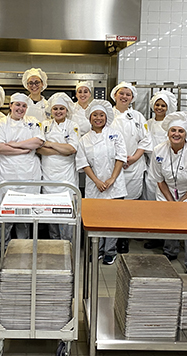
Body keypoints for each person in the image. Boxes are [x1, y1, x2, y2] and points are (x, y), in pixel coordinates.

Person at [148, 117, 187, 274]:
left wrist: (181, 201)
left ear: (185, 133)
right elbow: (159, 179)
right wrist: (171, 201)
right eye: (173, 130)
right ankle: (170, 252)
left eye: (180, 131)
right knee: (169, 220)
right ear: (168, 133)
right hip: (167, 190)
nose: (176, 134)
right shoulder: (158, 150)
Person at [0, 92, 45, 253]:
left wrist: (14, 145)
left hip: (29, 175)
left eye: (23, 106)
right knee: (5, 214)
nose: (20, 108)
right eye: (17, 105)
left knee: (26, 214)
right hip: (6, 175)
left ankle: (23, 248)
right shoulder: (0, 124)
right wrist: (24, 150)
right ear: (10, 105)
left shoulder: (33, 122)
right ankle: (3, 247)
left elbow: (38, 141)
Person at [76, 99, 127, 265]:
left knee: (113, 220)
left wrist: (112, 178)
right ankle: (96, 249)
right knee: (96, 220)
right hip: (94, 185)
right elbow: (83, 163)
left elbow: (120, 157)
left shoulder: (116, 134)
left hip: (115, 184)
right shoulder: (84, 139)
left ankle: (110, 251)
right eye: (95, 115)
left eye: (101, 115)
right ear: (90, 118)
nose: (98, 118)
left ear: (106, 117)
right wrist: (97, 181)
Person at [109, 81, 153, 253]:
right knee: (114, 205)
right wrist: (117, 161)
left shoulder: (138, 117)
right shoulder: (107, 114)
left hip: (133, 166)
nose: (124, 97)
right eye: (122, 93)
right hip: (112, 166)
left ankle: (123, 239)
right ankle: (110, 239)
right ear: (115, 95)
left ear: (132, 98)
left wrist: (134, 158)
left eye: (128, 94)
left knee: (129, 205)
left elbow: (146, 139)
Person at [37, 92, 80, 241]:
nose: (58, 111)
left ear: (67, 110)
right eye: (55, 108)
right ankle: (55, 246)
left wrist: (49, 144)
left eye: (61, 108)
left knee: (67, 215)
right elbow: (38, 148)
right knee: (51, 214)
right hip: (48, 176)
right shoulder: (45, 125)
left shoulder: (72, 126)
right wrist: (61, 148)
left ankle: (68, 245)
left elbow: (72, 149)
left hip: (66, 178)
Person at [143, 90, 178, 250]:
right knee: (152, 206)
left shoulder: (172, 125)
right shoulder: (147, 123)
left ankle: (167, 239)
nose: (160, 107)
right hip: (151, 167)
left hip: (168, 169)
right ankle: (155, 237)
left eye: (163, 105)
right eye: (157, 104)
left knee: (166, 206)